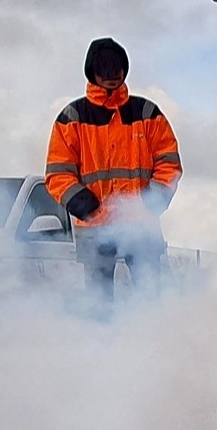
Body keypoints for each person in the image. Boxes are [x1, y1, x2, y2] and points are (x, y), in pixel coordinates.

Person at [44, 38, 183, 299]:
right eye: (103, 70)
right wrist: (79, 200)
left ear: (124, 70)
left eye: (115, 70)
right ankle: (102, 339)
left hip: (141, 226)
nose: (110, 77)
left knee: (150, 298)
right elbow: (57, 172)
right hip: (94, 227)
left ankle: (157, 339)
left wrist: (152, 201)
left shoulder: (147, 113)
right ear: (92, 72)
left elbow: (169, 164)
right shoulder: (71, 118)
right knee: (99, 303)